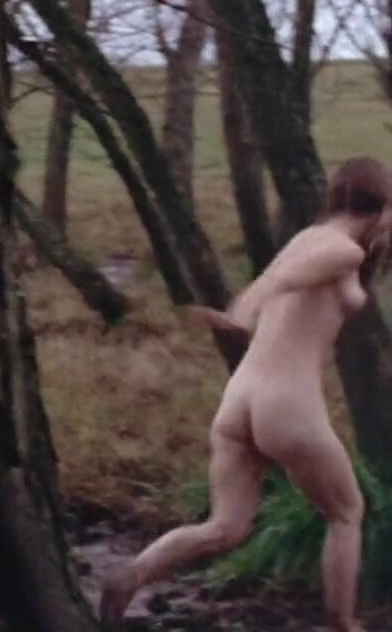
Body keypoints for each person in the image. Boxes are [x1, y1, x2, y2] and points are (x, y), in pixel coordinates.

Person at [100, 157, 392, 632]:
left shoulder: (311, 238)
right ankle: (344, 623)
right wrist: (244, 309)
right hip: (287, 404)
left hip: (240, 401)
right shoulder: (344, 252)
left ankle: (131, 575)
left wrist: (254, 310)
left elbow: (300, 282)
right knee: (347, 511)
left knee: (225, 527)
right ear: (380, 205)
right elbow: (281, 280)